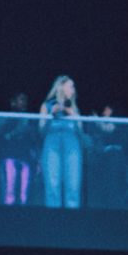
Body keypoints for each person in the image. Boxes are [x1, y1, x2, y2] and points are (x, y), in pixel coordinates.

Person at [40, 75, 84, 210]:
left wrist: (72, 114)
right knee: (52, 184)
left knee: (73, 184)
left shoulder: (74, 108)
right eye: (71, 86)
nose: (73, 90)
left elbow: (81, 131)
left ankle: (72, 218)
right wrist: (51, 115)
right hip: (52, 143)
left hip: (72, 144)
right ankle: (53, 218)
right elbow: (41, 130)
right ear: (61, 87)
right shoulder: (47, 105)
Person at [0, 91, 38, 206]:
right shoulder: (7, 118)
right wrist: (16, 132)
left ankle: (23, 214)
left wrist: (36, 160)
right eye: (21, 100)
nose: (23, 103)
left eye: (25, 100)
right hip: (10, 158)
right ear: (13, 102)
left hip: (25, 160)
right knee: (9, 191)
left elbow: (33, 142)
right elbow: (1, 137)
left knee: (24, 194)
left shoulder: (29, 120)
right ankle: (7, 213)